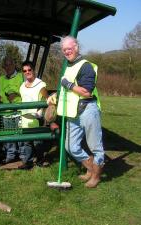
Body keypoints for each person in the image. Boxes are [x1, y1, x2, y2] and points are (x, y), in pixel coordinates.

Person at [57, 36, 104, 188]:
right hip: (73, 112)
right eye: (64, 50)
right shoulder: (69, 66)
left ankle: (96, 177)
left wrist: (67, 84)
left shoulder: (86, 66)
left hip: (88, 110)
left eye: (69, 48)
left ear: (76, 47)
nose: (67, 52)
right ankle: (91, 168)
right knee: (70, 146)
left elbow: (86, 92)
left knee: (95, 147)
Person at [18, 61, 49, 169]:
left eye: (29, 70)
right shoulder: (22, 86)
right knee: (26, 142)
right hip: (25, 117)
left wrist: (39, 112)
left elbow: (46, 98)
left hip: (36, 117)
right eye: (24, 71)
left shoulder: (41, 84)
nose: (27, 72)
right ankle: (28, 162)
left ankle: (41, 160)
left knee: (37, 141)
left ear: (33, 70)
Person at [0, 57, 24, 164]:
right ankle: (11, 156)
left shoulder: (22, 76)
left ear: (14, 64)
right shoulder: (1, 79)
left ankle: (23, 156)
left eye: (10, 64)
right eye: (6, 65)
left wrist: (16, 94)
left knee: (21, 135)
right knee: (9, 136)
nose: (8, 67)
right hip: (6, 112)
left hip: (19, 111)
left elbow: (27, 89)